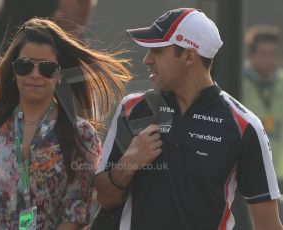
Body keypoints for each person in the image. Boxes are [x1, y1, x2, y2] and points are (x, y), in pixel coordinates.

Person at [94, 8, 283, 230]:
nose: (147, 59)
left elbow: (268, 223)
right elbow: (104, 198)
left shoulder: (244, 125)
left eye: (158, 50)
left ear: (189, 56)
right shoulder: (132, 108)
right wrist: (128, 164)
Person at [0, 18, 131, 229]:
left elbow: (74, 215)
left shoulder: (80, 135)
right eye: (25, 66)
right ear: (13, 71)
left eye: (47, 68)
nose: (35, 75)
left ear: (60, 74)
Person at [242, 25, 283, 190]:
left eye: (274, 54)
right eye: (264, 54)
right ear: (250, 56)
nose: (270, 60)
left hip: (278, 174)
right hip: (248, 174)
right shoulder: (237, 84)